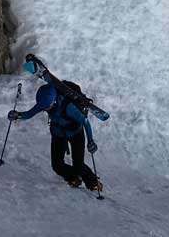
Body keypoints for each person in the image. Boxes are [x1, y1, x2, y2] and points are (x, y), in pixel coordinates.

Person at [8, 60, 102, 191]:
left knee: (78, 165)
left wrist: (91, 141)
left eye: (47, 107)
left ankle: (93, 184)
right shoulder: (44, 103)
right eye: (43, 107)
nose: (45, 109)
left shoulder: (68, 107)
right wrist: (17, 115)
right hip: (58, 133)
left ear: (54, 101)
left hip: (75, 133)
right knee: (57, 165)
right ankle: (73, 178)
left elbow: (85, 122)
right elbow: (30, 113)